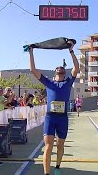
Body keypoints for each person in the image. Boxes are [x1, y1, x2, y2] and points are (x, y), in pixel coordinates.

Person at [28, 40, 78, 175]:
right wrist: (31, 52)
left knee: (60, 145)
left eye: (62, 71)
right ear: (54, 74)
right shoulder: (49, 82)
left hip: (62, 118)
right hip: (50, 117)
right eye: (58, 71)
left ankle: (57, 166)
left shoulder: (68, 82)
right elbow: (33, 70)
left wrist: (71, 50)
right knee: (48, 146)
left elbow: (76, 68)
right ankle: (46, 173)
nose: (60, 72)